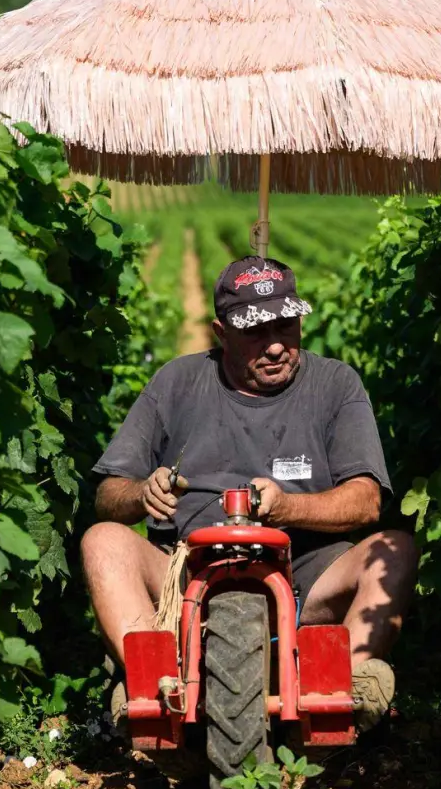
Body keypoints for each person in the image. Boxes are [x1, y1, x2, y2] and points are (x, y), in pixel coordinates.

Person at [82, 254, 418, 731]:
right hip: (185, 574)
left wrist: (287, 507)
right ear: (221, 334)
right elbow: (108, 494)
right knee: (101, 542)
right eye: (256, 333)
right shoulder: (177, 382)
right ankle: (153, 688)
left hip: (306, 575)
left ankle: (342, 690)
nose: (276, 346)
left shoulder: (335, 384)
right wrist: (142, 492)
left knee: (395, 549)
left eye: (286, 326)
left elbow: (366, 500)